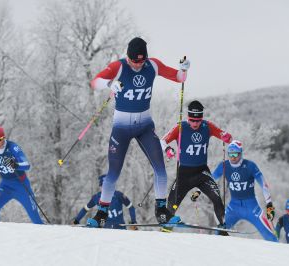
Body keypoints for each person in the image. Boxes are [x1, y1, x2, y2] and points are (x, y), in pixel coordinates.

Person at [87, 37, 190, 227]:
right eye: (134, 61)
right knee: (113, 172)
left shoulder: (153, 66)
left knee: (160, 167)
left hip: (144, 125)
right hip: (121, 128)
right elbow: (95, 82)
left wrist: (183, 69)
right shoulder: (119, 67)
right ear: (128, 57)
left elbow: (178, 78)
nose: (137, 65)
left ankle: (161, 211)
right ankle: (101, 213)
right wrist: (110, 84)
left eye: (140, 61)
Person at [160, 100, 232, 233]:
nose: (195, 124)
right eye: (192, 120)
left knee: (217, 199)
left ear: (202, 119)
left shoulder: (207, 126)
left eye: (198, 121)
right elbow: (162, 141)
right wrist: (168, 150)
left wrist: (227, 137)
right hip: (184, 173)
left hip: (202, 173)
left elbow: (224, 135)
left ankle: (222, 227)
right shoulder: (180, 127)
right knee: (172, 204)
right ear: (188, 118)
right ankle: (166, 230)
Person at [212, 140, 278, 242]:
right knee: (219, 233)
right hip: (234, 207)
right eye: (230, 154)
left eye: (235, 154)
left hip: (251, 207)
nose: (233, 157)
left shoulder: (250, 166)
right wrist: (198, 191)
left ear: (241, 153)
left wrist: (269, 205)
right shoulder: (224, 165)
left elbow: (263, 185)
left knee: (270, 237)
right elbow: (210, 180)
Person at [72, 175, 137, 230]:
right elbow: (85, 209)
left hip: (120, 228)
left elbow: (131, 207)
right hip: (105, 230)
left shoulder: (119, 195)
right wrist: (76, 220)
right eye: (103, 186)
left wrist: (133, 222)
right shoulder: (96, 197)